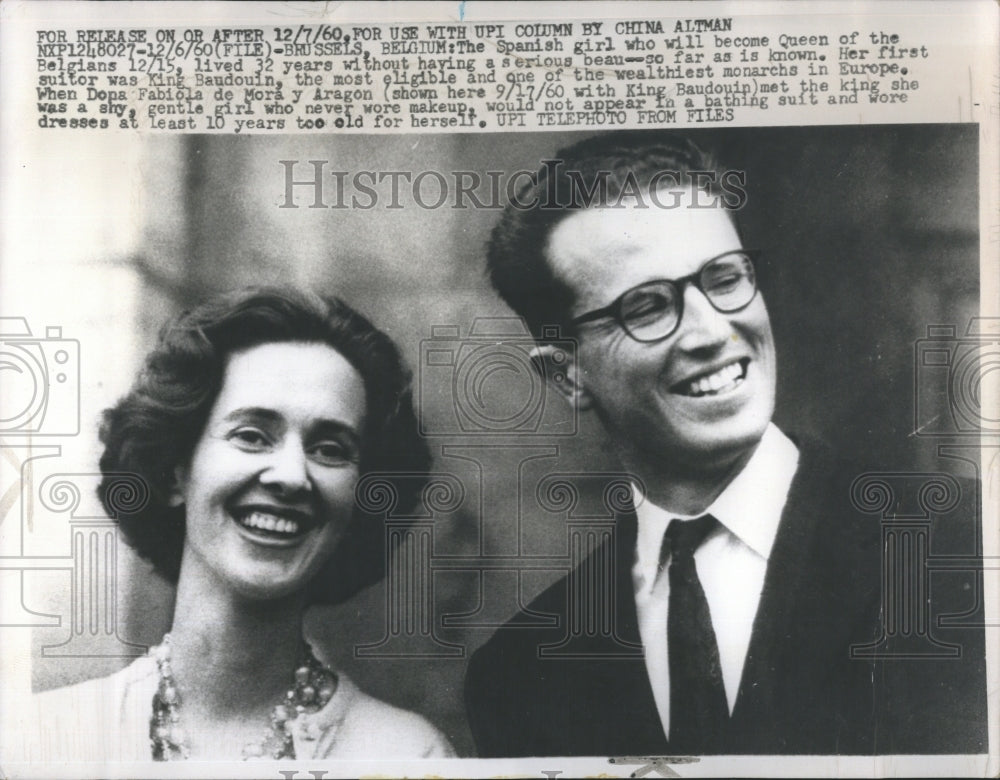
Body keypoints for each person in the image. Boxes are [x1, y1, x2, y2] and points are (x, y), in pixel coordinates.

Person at [465, 132, 987, 756]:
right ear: (567, 373)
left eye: (725, 277)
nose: (713, 330)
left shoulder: (967, 543)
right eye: (648, 306)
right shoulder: (520, 675)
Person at [32, 287, 455, 761]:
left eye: (330, 449)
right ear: (175, 471)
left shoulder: (408, 757)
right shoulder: (43, 742)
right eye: (252, 436)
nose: (293, 476)